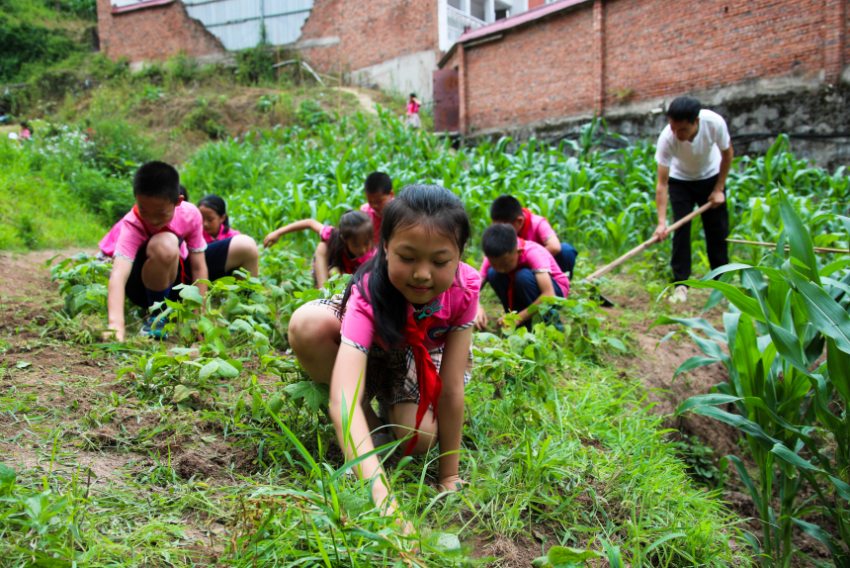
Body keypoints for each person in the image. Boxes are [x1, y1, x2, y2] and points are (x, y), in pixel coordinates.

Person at [287, 185, 479, 516]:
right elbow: (342, 399)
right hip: (372, 344)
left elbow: (450, 388)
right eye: (407, 258)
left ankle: (387, 419)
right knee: (307, 324)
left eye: (440, 261)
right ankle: (366, 427)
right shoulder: (367, 293)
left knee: (417, 440)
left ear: (459, 255)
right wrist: (381, 496)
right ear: (385, 248)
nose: (421, 274)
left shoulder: (464, 289)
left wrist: (449, 476)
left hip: (417, 354)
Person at [104, 162, 259, 340]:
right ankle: (157, 317)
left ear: (178, 202)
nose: (153, 220)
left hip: (180, 282)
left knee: (246, 245)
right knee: (166, 243)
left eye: (161, 213)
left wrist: (198, 316)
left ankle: (243, 317)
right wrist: (115, 325)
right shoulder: (132, 223)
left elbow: (198, 267)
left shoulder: (190, 214)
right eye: (145, 211)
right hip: (143, 287)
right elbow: (118, 274)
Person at [653, 96, 733, 304]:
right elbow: (662, 184)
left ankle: (721, 284)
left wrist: (719, 189)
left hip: (711, 176)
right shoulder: (667, 138)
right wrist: (661, 223)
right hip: (681, 181)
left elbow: (727, 154)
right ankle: (681, 284)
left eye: (682, 130)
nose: (676, 134)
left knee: (717, 231)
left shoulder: (714, 124)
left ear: (695, 122)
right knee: (681, 230)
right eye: (672, 127)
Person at [474, 224, 570, 330]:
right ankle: (518, 323)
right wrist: (477, 307)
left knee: (522, 277)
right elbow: (474, 287)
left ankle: (551, 324)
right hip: (525, 288)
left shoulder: (533, 253)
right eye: (494, 264)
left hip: (555, 294)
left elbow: (549, 294)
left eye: (505, 264)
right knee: (493, 274)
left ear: (518, 252)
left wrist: (517, 318)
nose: (500, 269)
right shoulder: (495, 256)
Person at [263, 210, 375, 288]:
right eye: (356, 245)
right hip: (329, 269)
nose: (363, 250)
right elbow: (309, 223)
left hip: (353, 281)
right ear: (344, 239)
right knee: (322, 247)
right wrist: (278, 232)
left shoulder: (371, 257)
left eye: (366, 243)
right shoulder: (333, 236)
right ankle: (323, 293)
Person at [489, 194, 578, 278]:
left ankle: (561, 284)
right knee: (493, 273)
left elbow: (554, 247)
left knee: (566, 250)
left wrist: (531, 260)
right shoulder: (499, 229)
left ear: (519, 221)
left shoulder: (537, 223)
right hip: (516, 271)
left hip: (542, 268)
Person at [361, 171, 394, 244]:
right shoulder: (365, 213)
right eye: (370, 202)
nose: (374, 206)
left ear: (391, 194)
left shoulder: (400, 213)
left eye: (379, 202)